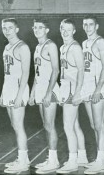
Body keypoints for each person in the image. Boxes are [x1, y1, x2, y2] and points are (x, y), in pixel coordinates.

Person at [56, 19, 89, 174]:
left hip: (72, 89)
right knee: (74, 126)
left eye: (68, 30)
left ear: (74, 31)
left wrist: (77, 92)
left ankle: (72, 160)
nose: (65, 32)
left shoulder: (75, 47)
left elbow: (82, 71)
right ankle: (82, 157)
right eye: (63, 29)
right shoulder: (63, 47)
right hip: (65, 88)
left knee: (67, 127)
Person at [28, 18, 61, 174]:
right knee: (45, 126)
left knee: (50, 125)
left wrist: (48, 93)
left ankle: (54, 161)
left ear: (47, 30)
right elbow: (37, 72)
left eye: (40, 28)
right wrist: (33, 92)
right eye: (35, 27)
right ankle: (50, 157)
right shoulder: (38, 46)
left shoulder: (51, 45)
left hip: (51, 89)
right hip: (41, 88)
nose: (37, 30)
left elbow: (56, 70)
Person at [0, 18, 31, 174]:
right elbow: (7, 74)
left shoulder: (23, 47)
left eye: (10, 28)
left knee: (19, 126)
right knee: (14, 125)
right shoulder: (7, 47)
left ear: (17, 29)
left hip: (19, 89)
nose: (7, 31)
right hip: (9, 89)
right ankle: (21, 158)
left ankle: (24, 161)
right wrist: (2, 94)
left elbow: (26, 73)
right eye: (4, 28)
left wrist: (19, 96)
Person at [81, 15, 104, 174]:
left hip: (98, 86)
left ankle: (101, 160)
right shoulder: (85, 43)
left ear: (96, 26)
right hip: (86, 86)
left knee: (99, 125)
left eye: (91, 24)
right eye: (85, 24)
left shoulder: (101, 42)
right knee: (93, 125)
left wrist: (98, 89)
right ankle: (100, 158)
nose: (88, 27)